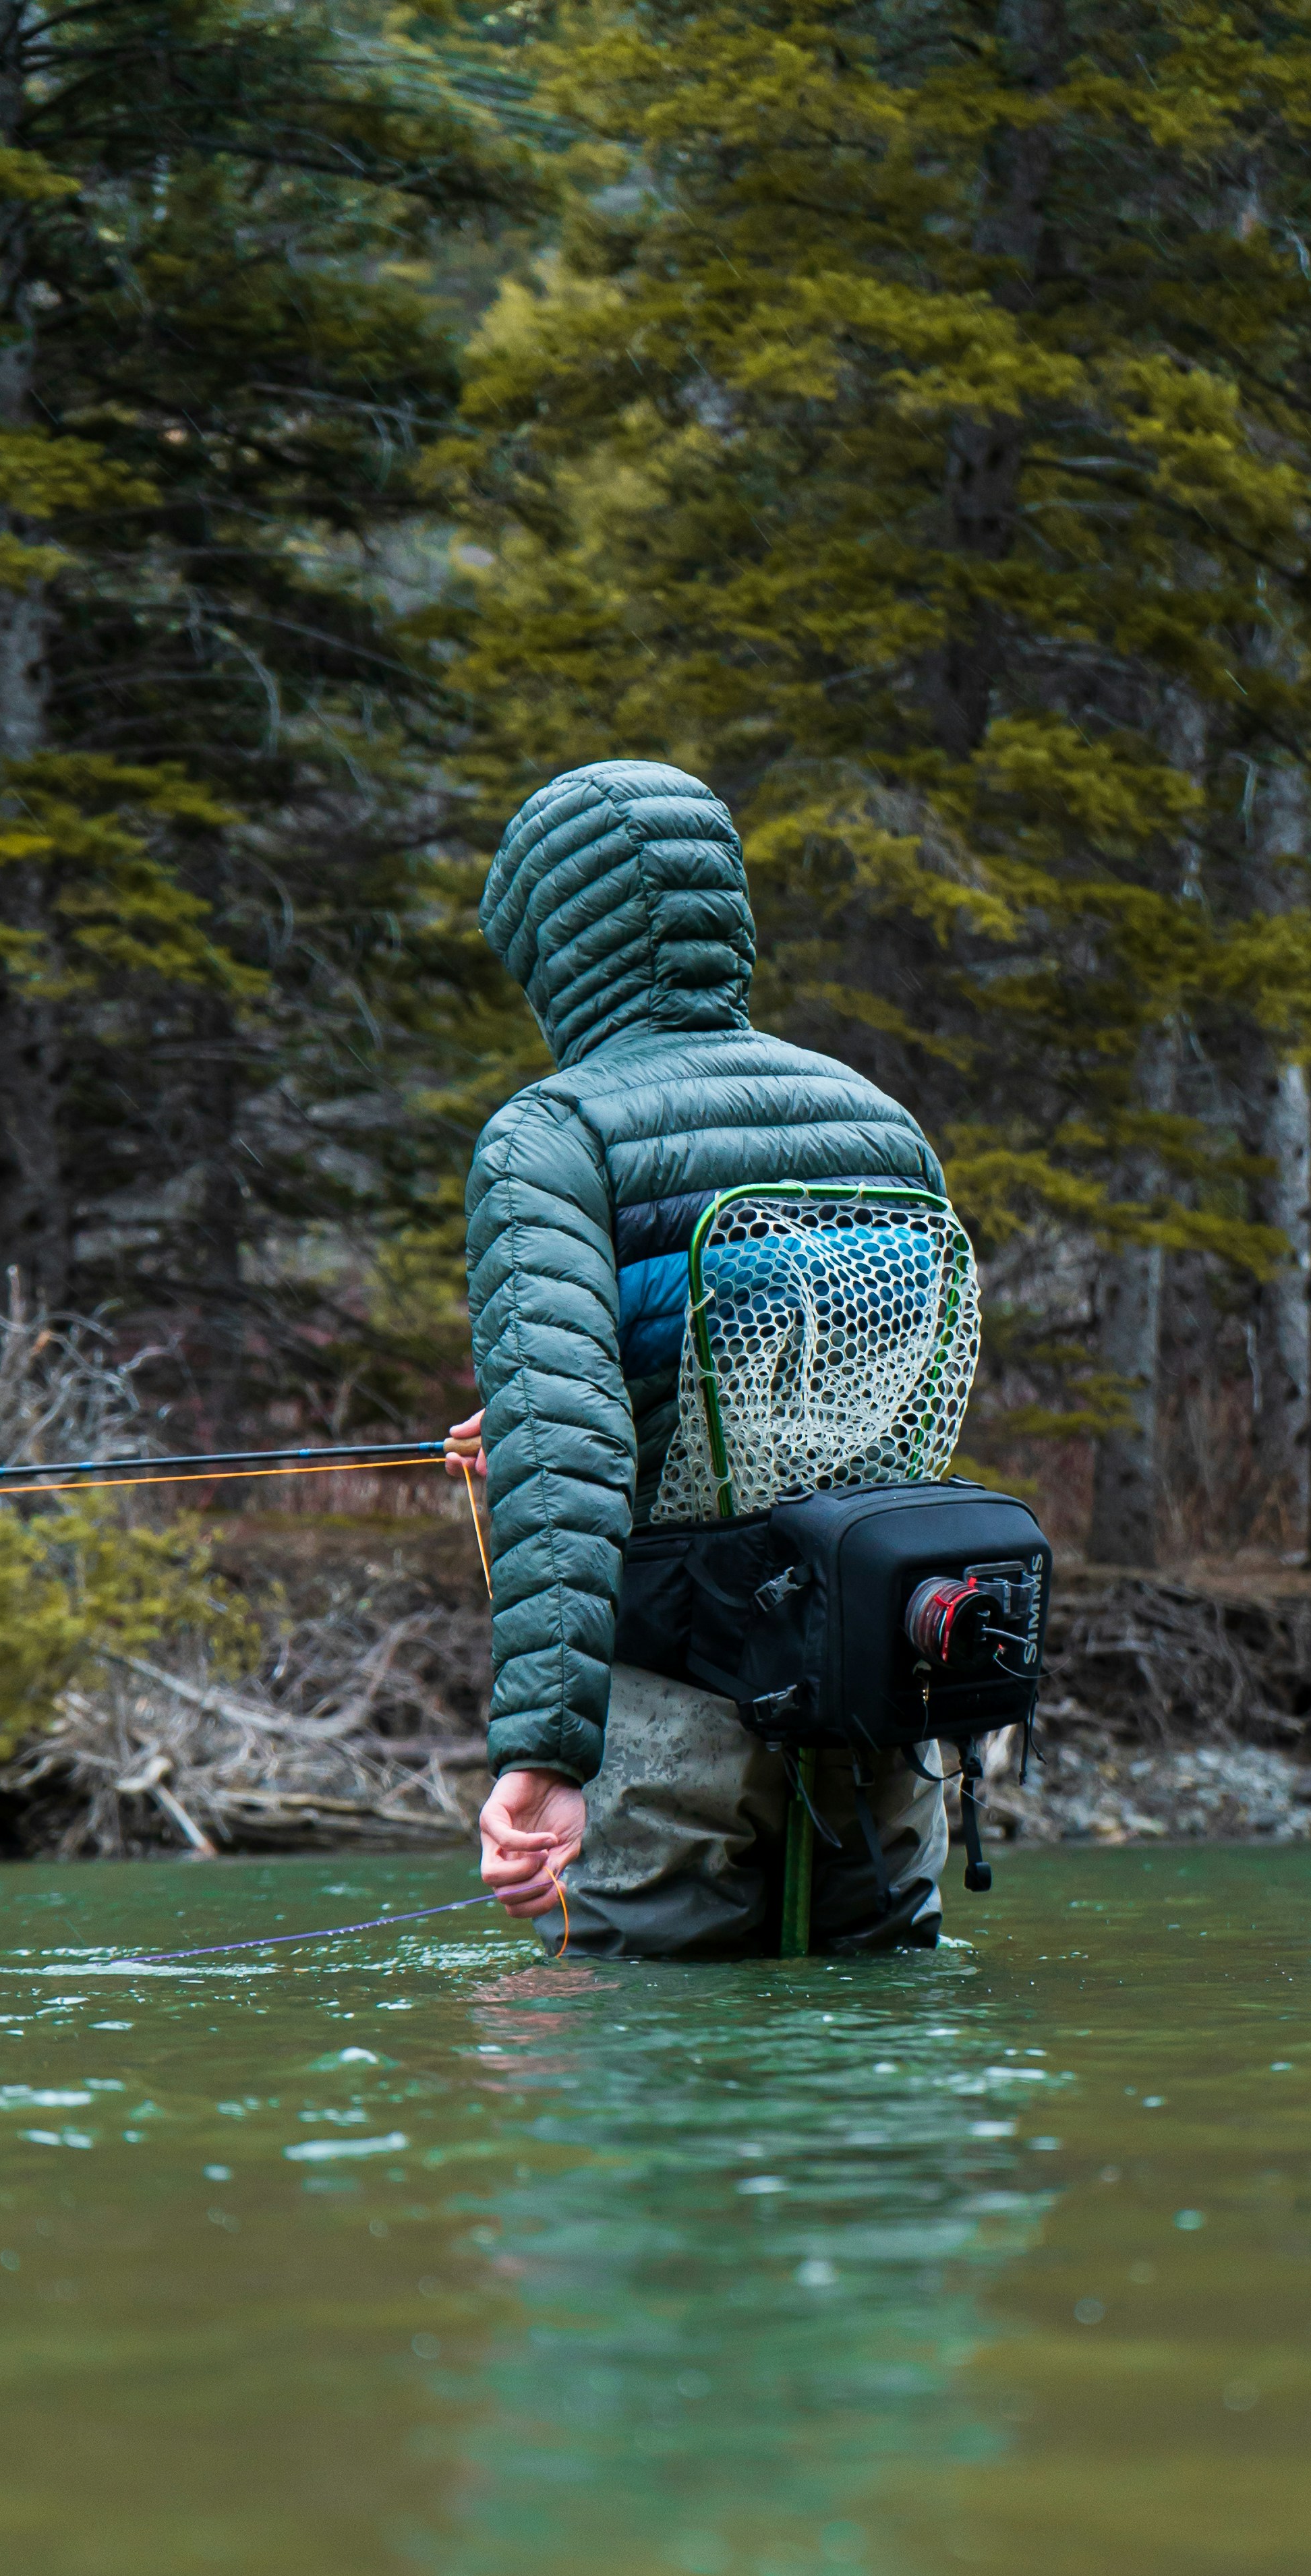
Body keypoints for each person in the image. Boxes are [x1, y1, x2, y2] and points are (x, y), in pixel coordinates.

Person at [444, 759, 950, 1957]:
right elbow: (838, 1398)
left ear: (558, 948)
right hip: (879, 1710)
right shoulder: (880, 1120)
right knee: (873, 2098)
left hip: (677, 1716)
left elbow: (566, 1464)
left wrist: (545, 1756)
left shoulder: (552, 1136)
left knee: (612, 2093)